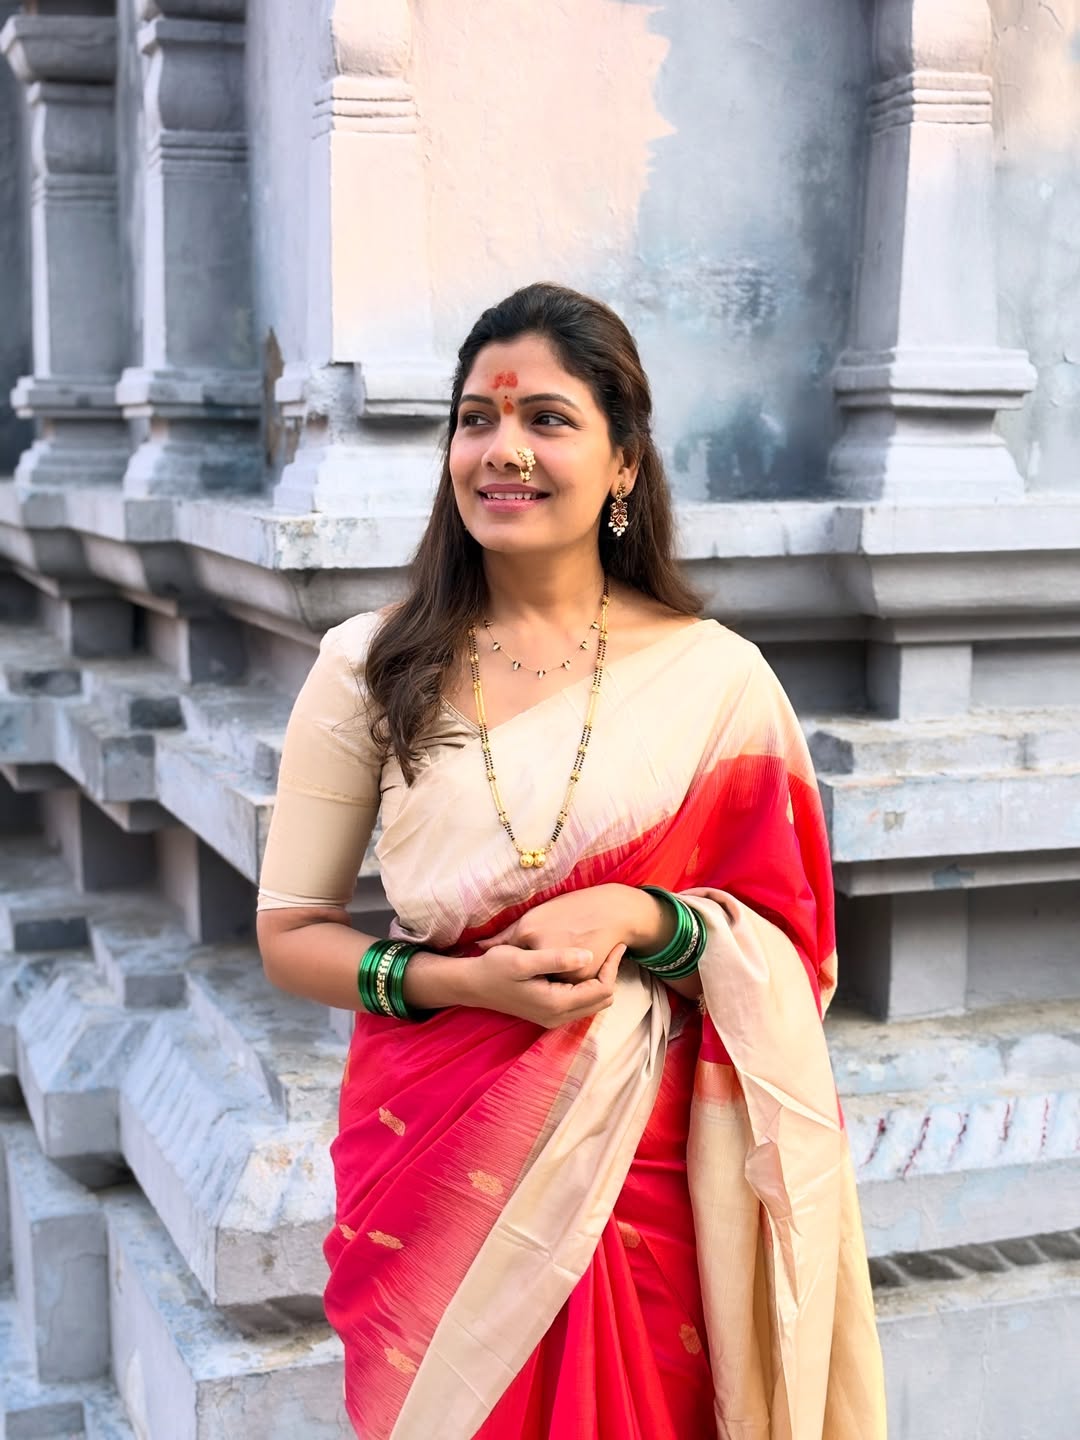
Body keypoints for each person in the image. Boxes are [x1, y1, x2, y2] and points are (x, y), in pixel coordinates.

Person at [256, 282, 887, 1440]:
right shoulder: (368, 666)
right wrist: (464, 982)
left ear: (624, 462)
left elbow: (792, 955)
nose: (503, 450)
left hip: (651, 1175)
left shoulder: (718, 681)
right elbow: (290, 933)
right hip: (436, 1160)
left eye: (546, 418)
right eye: (476, 419)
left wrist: (650, 917)